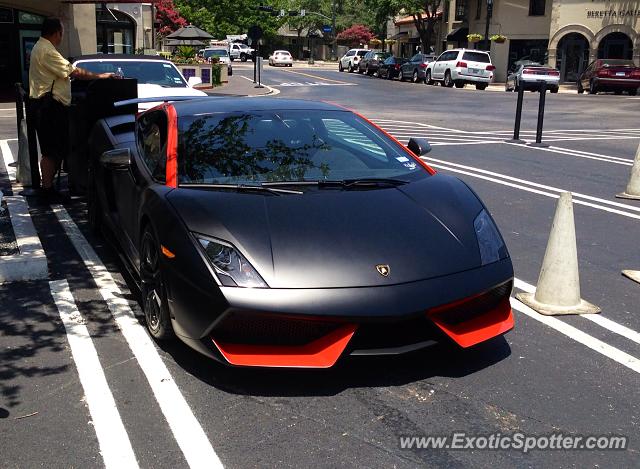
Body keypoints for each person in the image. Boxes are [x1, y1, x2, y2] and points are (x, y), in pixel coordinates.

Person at [29, 17, 118, 201]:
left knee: (52, 149)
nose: (62, 36)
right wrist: (101, 76)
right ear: (56, 33)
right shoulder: (47, 51)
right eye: (62, 32)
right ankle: (47, 190)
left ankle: (48, 188)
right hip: (49, 107)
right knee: (52, 150)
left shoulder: (41, 47)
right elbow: (74, 72)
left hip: (46, 105)